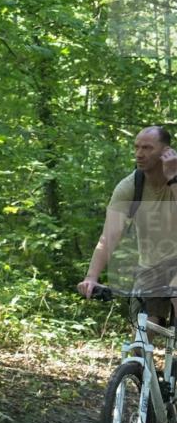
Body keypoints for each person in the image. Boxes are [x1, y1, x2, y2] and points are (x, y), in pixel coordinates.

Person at [77, 126, 177, 324]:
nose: (139, 154)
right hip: (151, 268)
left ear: (166, 151)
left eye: (147, 148)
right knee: (143, 332)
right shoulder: (130, 186)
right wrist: (91, 277)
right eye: (136, 147)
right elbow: (109, 236)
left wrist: (173, 177)